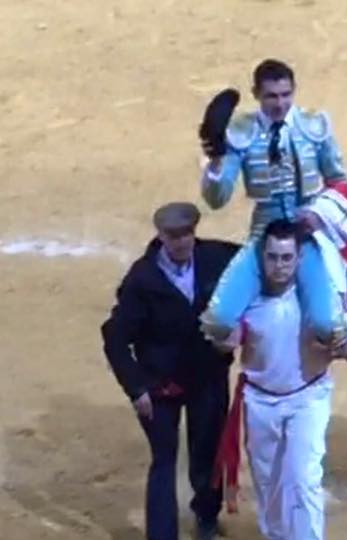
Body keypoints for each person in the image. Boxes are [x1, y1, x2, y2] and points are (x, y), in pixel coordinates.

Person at [198, 58, 347, 347]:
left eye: (286, 94)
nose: (280, 104)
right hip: (264, 234)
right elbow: (217, 200)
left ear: (294, 90)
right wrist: (215, 160)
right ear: (256, 94)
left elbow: (338, 180)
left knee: (330, 326)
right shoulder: (241, 134)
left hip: (308, 234)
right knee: (219, 320)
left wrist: (319, 213)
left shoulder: (313, 126)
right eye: (271, 96)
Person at [101, 202, 241, 540]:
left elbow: (258, 262)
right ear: (161, 236)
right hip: (159, 385)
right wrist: (135, 388)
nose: (181, 242)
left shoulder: (216, 257)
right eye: (173, 235)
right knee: (164, 459)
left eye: (186, 233)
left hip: (207, 377)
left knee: (207, 450)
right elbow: (114, 337)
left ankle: (206, 516)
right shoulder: (142, 279)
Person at [211, 219, 347, 540]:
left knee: (304, 480)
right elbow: (225, 342)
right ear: (262, 257)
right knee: (269, 485)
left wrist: (341, 345)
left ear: (299, 258)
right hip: (260, 401)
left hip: (307, 399)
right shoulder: (246, 299)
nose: (279, 265)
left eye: (287, 257)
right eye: (273, 257)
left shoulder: (319, 298)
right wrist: (222, 338)